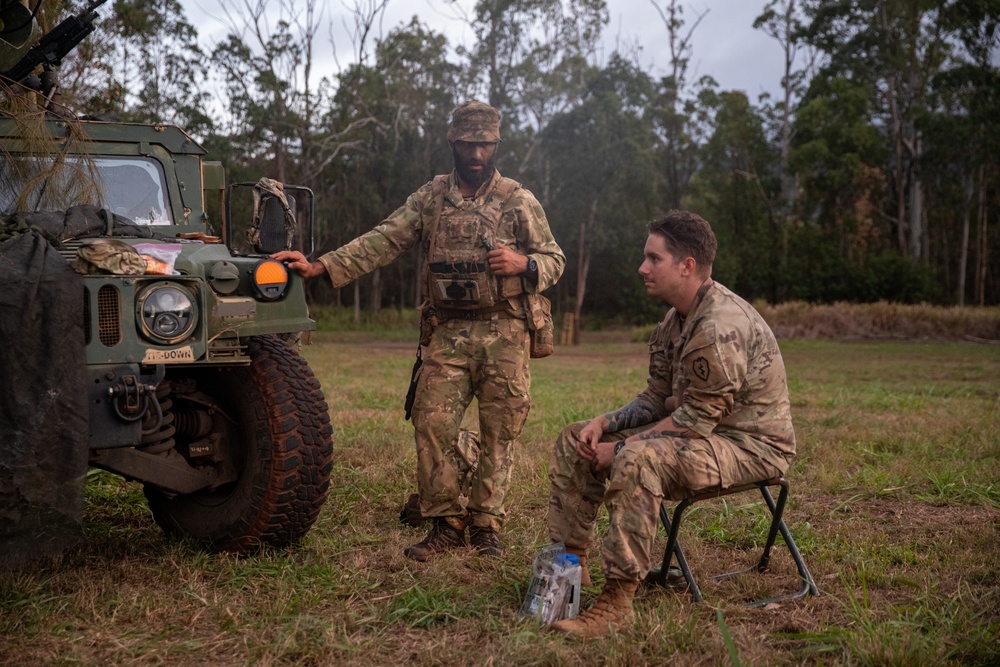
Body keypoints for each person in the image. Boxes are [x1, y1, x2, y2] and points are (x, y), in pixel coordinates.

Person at [273, 101, 565, 561]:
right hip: (447, 330)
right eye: (468, 143)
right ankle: (445, 520)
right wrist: (322, 265)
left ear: (495, 145)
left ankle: (486, 523)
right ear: (453, 142)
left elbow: (554, 258)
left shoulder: (517, 199)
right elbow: (385, 238)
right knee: (431, 421)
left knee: (500, 428)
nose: (476, 152)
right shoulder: (431, 198)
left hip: (504, 330)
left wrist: (525, 263)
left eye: (485, 143)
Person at [545, 210, 795, 638]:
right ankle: (571, 569)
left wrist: (621, 449)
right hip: (702, 433)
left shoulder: (719, 327)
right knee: (577, 437)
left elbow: (695, 421)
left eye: (653, 258)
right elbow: (658, 399)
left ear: (687, 266)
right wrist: (605, 423)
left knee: (638, 459)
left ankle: (616, 604)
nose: (642, 268)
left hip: (750, 446)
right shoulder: (674, 320)